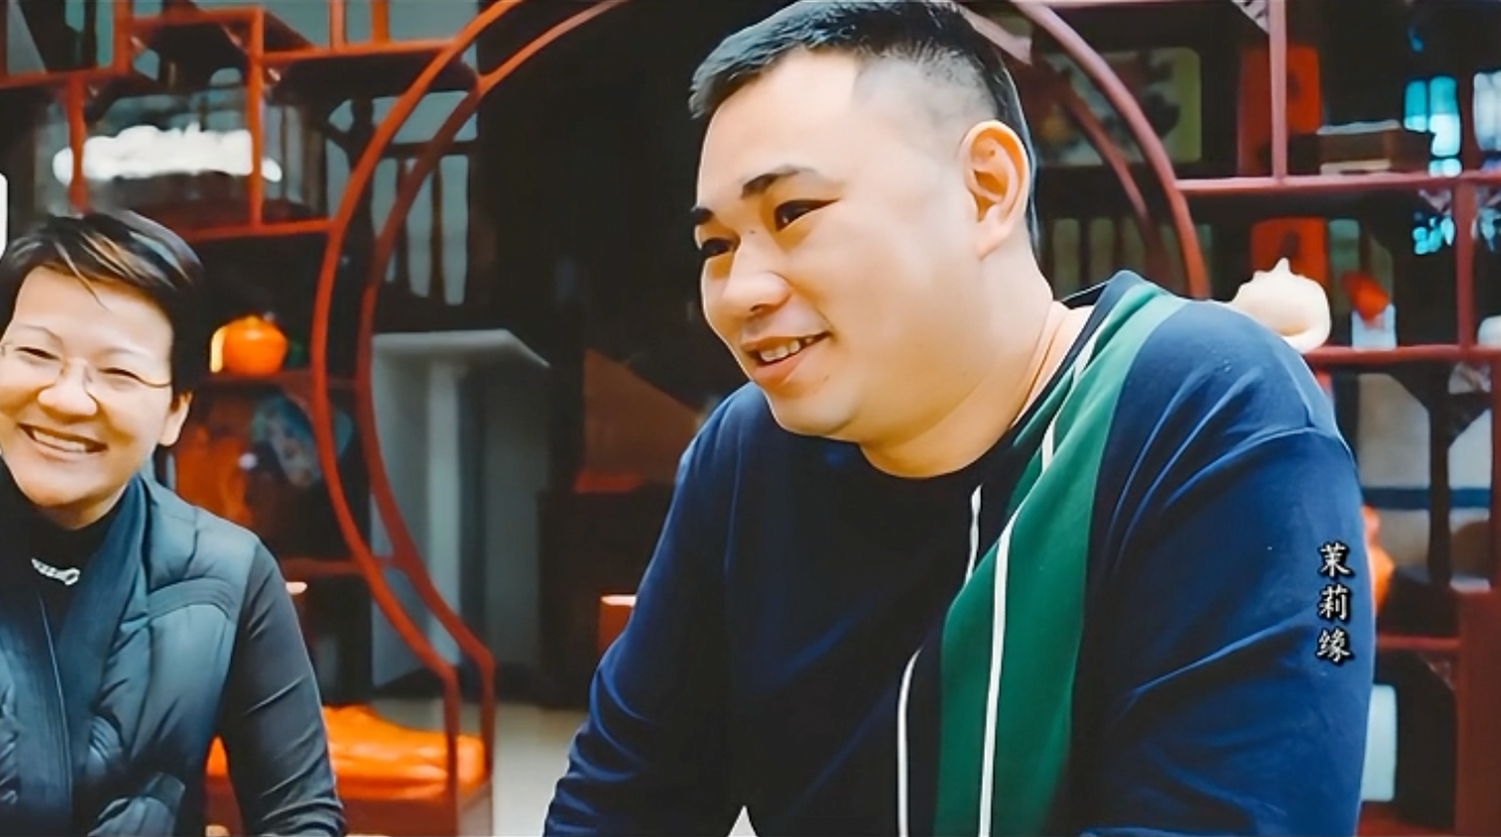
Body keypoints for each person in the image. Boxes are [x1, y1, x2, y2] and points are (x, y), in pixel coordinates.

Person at [544, 3, 1373, 835]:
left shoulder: (1210, 409)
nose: (740, 291)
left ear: (986, 190)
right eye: (716, 246)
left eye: (793, 213)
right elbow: (622, 801)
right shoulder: (748, 451)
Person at [0, 211, 344, 836]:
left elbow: (301, 818)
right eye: (37, 354)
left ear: (175, 410)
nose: (66, 399)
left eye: (119, 372)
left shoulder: (232, 575)